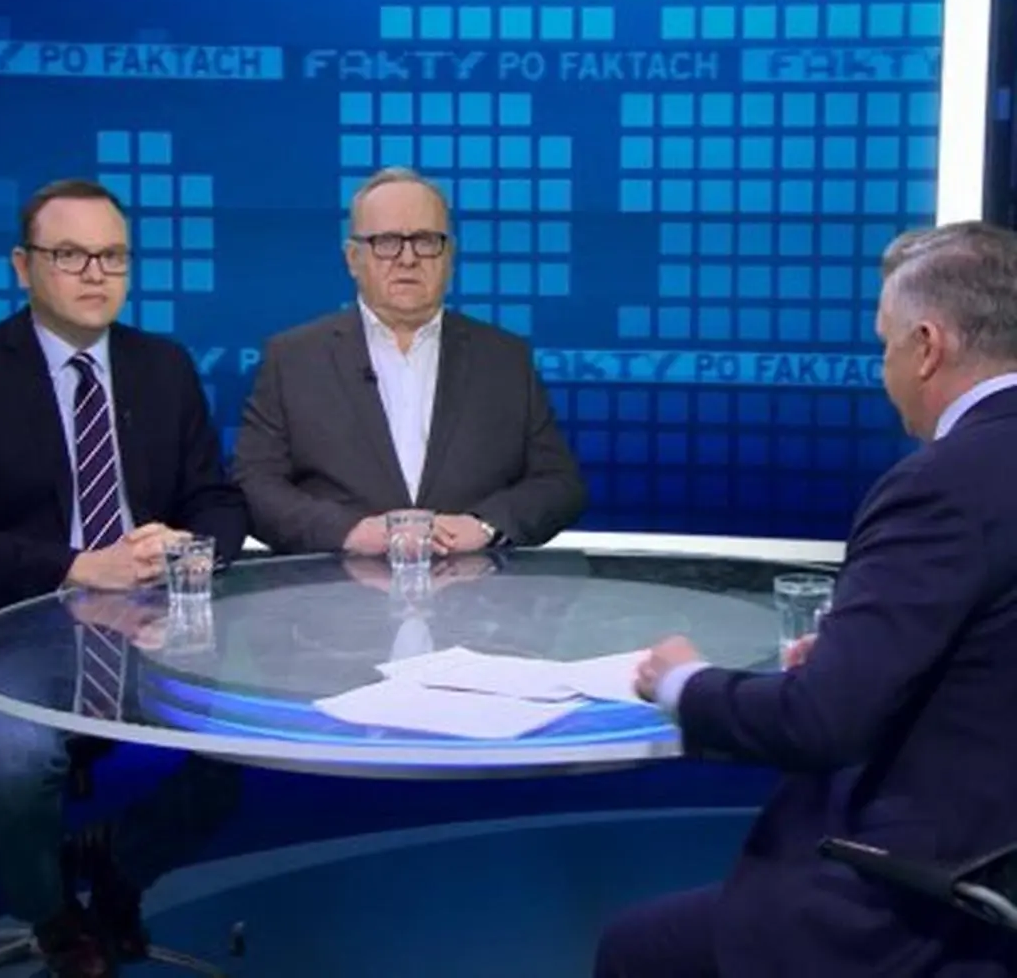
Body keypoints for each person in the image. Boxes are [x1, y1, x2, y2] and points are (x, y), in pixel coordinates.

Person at [597, 221, 1017, 977]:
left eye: (885, 345)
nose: (884, 369)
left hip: (936, 897)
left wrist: (683, 682)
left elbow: (820, 723)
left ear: (927, 346)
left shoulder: (940, 487)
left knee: (638, 950)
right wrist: (875, 657)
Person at [0, 178, 247, 976]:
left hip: (154, 619)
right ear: (23, 266)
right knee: (12, 761)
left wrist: (183, 553)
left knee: (246, 725)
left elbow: (217, 499)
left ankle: (116, 869)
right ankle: (53, 916)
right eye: (71, 255)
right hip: (20, 626)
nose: (95, 273)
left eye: (112, 256)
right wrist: (75, 565)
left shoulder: (162, 367)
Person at [233, 166, 585, 557]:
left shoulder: (505, 359)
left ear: (449, 255)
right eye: (386, 242)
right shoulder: (293, 359)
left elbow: (559, 484)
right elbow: (254, 484)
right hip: (335, 586)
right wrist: (349, 532)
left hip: (475, 588)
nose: (407, 258)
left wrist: (484, 525)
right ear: (353, 258)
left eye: (425, 240)